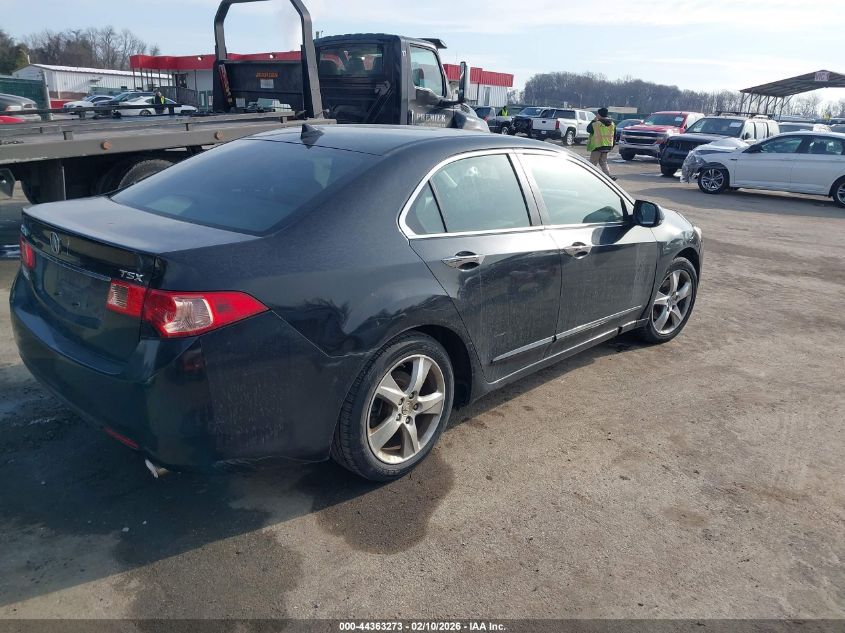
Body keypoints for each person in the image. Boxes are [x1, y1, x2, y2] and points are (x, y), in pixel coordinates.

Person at [587, 107, 617, 180]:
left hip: (597, 146)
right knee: (603, 162)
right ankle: (608, 176)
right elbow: (614, 135)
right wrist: (612, 145)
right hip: (607, 146)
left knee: (593, 163)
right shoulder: (612, 124)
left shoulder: (596, 124)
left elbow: (588, 129)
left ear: (599, 114)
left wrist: (594, 120)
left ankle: (589, 177)